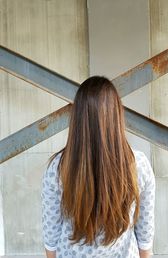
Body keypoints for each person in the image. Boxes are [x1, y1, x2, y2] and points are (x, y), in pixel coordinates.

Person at [41, 76, 155, 258]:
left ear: (77, 118)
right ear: (116, 115)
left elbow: (51, 236)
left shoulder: (58, 168)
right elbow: (145, 235)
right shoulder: (139, 165)